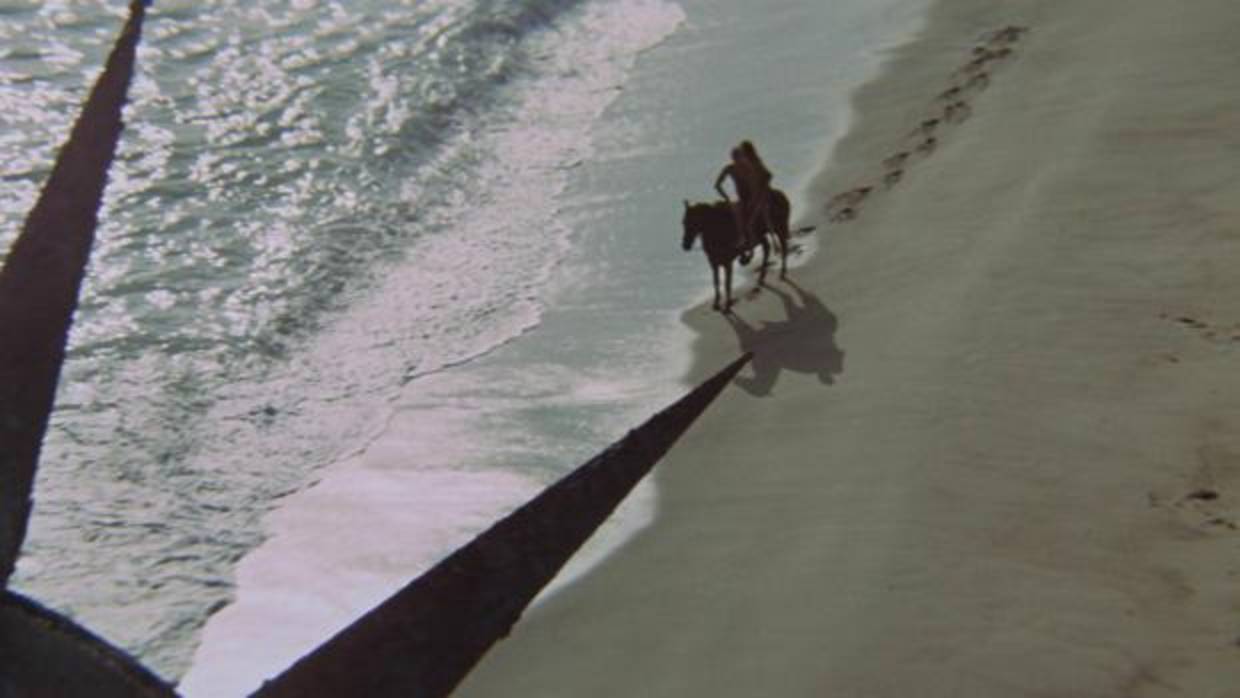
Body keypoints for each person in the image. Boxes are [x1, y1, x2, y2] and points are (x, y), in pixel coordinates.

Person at [714, 141, 773, 263]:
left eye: (739, 157)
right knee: (729, 211)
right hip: (742, 199)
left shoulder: (749, 168)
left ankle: (748, 237)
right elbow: (717, 185)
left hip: (753, 198)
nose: (737, 160)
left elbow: (756, 184)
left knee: (746, 214)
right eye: (735, 158)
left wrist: (754, 199)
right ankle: (738, 238)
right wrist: (726, 198)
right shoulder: (730, 168)